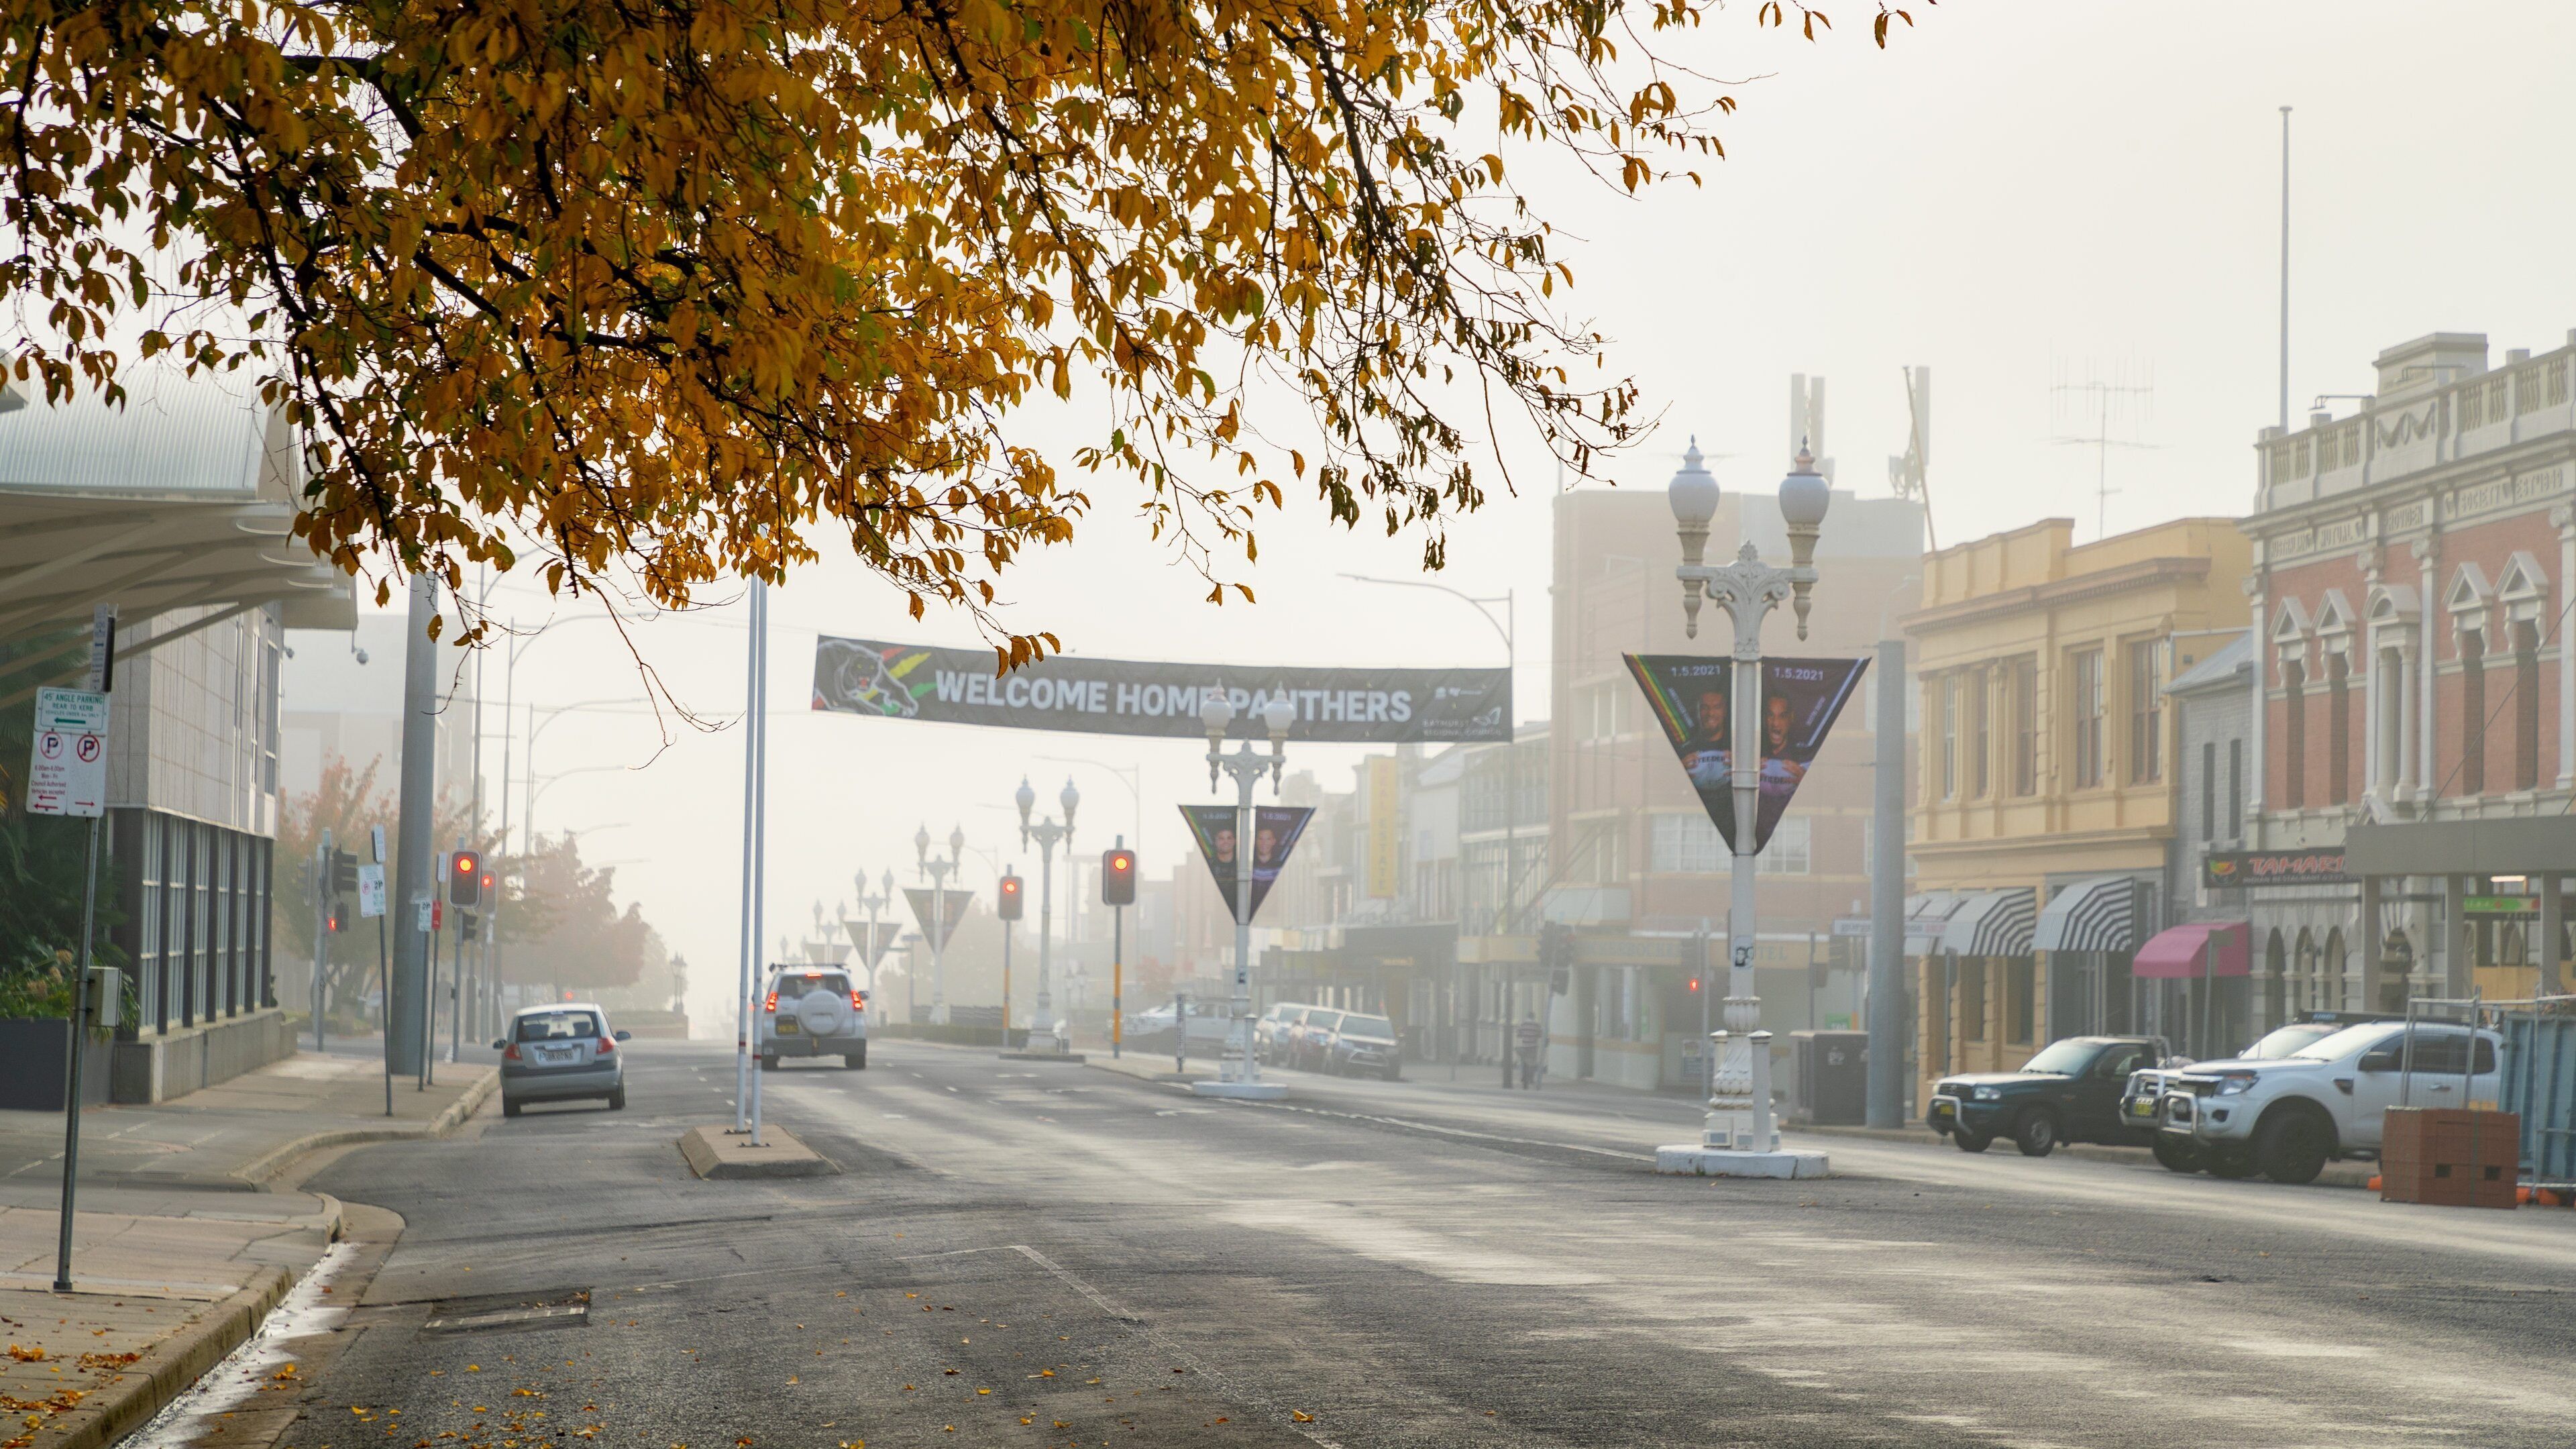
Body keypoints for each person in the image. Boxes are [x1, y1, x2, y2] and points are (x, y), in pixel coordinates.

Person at [1682, 687, 1731, 788]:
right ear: (1698, 712)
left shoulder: (1737, 748)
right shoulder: (1684, 751)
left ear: (1725, 711)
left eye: (1717, 707)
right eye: (1705, 708)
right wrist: (1679, 771)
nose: (1710, 713)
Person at [1514, 1012, 1545, 1089]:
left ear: (1527, 1017)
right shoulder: (1537, 1025)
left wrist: (1524, 1036)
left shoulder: (1523, 1024)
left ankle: (1523, 1076)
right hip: (1533, 1047)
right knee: (1532, 1063)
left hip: (1524, 1046)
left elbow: (1518, 1034)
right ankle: (1531, 1079)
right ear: (1533, 1017)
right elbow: (1540, 1035)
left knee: (1524, 1061)